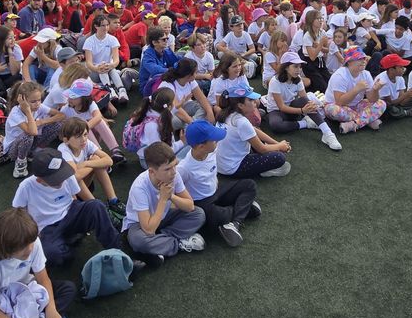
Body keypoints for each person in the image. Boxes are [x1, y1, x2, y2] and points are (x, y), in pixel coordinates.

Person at [10, 146, 123, 267]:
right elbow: (19, 213)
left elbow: (74, 197)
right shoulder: (26, 187)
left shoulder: (67, 175)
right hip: (47, 228)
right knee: (52, 254)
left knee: (96, 206)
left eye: (61, 175)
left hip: (70, 213)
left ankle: (117, 252)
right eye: (55, 179)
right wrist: (33, 232)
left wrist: (80, 215)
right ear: (39, 180)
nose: (61, 180)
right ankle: (68, 244)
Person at [0, 208, 73, 318]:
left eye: (31, 242)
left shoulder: (33, 243)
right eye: (23, 247)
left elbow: (43, 279)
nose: (29, 249)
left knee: (68, 289)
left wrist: (52, 310)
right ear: (7, 247)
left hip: (26, 290)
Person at [177, 119, 258, 248]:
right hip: (202, 202)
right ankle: (242, 209)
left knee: (249, 185)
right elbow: (176, 191)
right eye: (214, 140)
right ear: (201, 146)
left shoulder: (212, 150)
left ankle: (234, 223)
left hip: (216, 191)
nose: (218, 141)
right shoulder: (184, 168)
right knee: (218, 216)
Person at [122, 142, 207, 263]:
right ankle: (178, 244)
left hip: (163, 218)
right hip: (140, 225)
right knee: (138, 241)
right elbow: (149, 230)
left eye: (174, 165)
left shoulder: (173, 175)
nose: (173, 172)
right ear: (152, 172)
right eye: (167, 169)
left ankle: (160, 244)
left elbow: (190, 206)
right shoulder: (139, 187)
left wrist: (171, 196)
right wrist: (162, 199)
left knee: (199, 214)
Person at [263, 52, 342, 150]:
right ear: (286, 67)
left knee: (306, 101)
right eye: (295, 66)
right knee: (275, 125)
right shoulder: (275, 81)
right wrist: (302, 111)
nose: (299, 70)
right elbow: (281, 107)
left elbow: (304, 98)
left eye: (300, 67)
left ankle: (328, 133)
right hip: (276, 111)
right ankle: (306, 123)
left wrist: (311, 105)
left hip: (292, 108)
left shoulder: (298, 79)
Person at [215, 84, 291, 178]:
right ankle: (264, 171)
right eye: (250, 100)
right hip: (233, 168)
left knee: (256, 134)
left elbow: (254, 130)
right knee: (279, 157)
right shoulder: (241, 122)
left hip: (220, 164)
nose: (255, 102)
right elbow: (261, 149)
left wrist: (276, 143)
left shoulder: (227, 114)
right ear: (240, 105)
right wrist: (279, 146)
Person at [3, 81, 63, 179]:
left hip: (31, 143)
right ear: (22, 100)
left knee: (57, 125)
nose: (37, 104)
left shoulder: (39, 106)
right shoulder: (15, 113)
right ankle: (20, 163)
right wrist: (27, 111)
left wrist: (42, 122)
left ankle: (33, 152)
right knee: (28, 135)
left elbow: (61, 115)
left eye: (39, 100)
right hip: (14, 151)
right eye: (33, 101)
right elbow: (32, 132)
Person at [323, 47, 387, 134]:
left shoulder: (366, 74)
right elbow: (339, 102)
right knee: (333, 110)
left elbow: (372, 99)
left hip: (356, 106)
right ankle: (368, 119)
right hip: (336, 106)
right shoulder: (340, 75)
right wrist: (356, 89)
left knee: (381, 103)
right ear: (349, 62)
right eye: (359, 58)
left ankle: (354, 124)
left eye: (364, 58)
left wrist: (376, 90)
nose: (363, 61)